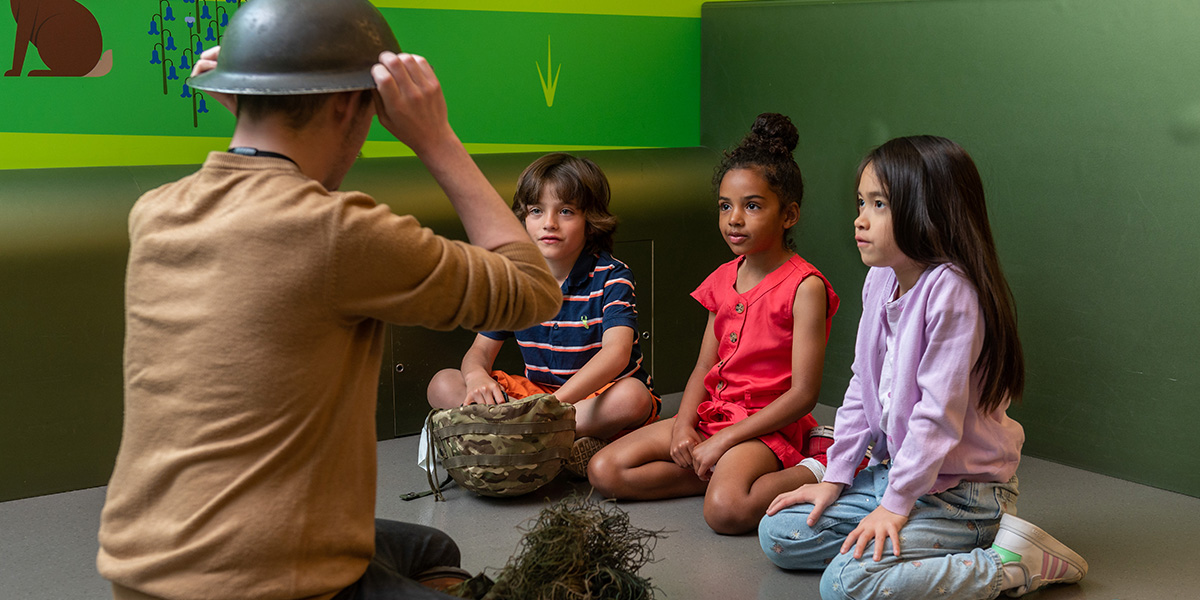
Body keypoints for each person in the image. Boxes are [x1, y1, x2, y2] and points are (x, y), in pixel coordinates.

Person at [95, 1, 561, 600]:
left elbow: (256, 193)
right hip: (259, 585)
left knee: (431, 548)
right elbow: (532, 290)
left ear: (238, 96)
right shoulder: (340, 233)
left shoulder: (155, 214)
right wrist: (435, 137)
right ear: (349, 106)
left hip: (141, 569)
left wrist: (257, 95)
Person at [758, 136, 1088, 599]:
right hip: (899, 474)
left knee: (845, 585)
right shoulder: (880, 279)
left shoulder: (954, 292)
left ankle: (1011, 562)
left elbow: (936, 417)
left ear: (929, 213)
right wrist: (835, 477)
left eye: (879, 204)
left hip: (963, 496)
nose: (859, 218)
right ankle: (913, 545)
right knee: (779, 534)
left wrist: (893, 507)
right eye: (860, 202)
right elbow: (861, 386)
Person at [587, 113, 839, 535]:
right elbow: (705, 367)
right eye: (725, 206)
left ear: (789, 214)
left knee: (725, 513)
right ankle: (715, 472)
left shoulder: (805, 286)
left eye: (752, 205)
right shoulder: (722, 278)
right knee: (604, 470)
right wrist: (685, 425)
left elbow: (803, 395)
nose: (734, 218)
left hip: (765, 426)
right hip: (712, 416)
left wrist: (724, 441)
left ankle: (821, 467)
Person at [427, 152, 658, 477]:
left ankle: (516, 440)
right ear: (523, 218)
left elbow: (617, 354)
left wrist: (553, 408)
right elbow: (479, 352)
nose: (549, 222)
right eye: (537, 210)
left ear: (589, 220)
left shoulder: (611, 276)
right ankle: (553, 443)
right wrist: (476, 377)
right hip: (535, 398)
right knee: (443, 384)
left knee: (633, 398)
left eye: (565, 211)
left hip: (588, 399)